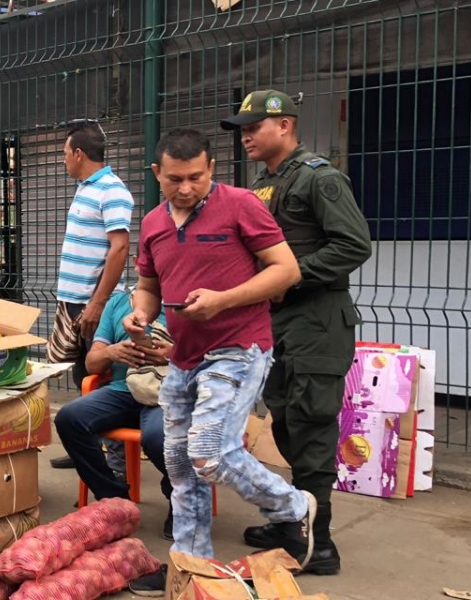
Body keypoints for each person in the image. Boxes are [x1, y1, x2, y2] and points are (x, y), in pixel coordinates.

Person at [125, 129, 317, 595]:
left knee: (208, 453)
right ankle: (192, 565)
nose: (186, 188)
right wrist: (140, 314)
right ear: (157, 174)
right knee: (178, 462)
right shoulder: (152, 223)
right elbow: (149, 286)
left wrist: (223, 300)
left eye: (196, 177)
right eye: (175, 179)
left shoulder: (242, 205)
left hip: (239, 347)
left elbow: (285, 271)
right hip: (184, 357)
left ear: (212, 169)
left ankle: (293, 506)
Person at [221, 90, 372, 575]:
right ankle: (292, 521)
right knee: (285, 421)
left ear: (284, 125)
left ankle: (319, 543)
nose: (245, 136)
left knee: (311, 424)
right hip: (278, 321)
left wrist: (292, 276)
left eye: (253, 127)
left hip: (316, 320)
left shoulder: (319, 178)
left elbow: (353, 245)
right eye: (241, 129)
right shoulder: (267, 182)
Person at [48, 119, 135, 473]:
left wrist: (98, 303)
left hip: (92, 304)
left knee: (103, 381)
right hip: (73, 303)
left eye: (65, 153)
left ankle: (114, 466)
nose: (63, 160)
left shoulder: (112, 190)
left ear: (79, 153)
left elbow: (120, 248)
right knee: (80, 372)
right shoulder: (86, 188)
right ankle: (88, 446)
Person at [53, 291, 175, 538]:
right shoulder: (118, 303)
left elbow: (209, 356)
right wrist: (112, 353)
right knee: (69, 418)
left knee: (156, 437)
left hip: (165, 395)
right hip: (122, 392)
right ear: (137, 264)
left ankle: (180, 498)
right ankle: (115, 500)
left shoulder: (183, 301)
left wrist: (170, 353)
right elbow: (92, 363)